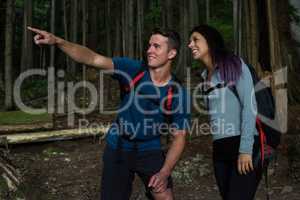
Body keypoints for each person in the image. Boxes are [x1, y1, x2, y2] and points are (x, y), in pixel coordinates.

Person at [28, 26, 190, 200]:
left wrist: (164, 172)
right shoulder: (132, 70)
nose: (149, 50)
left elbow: (179, 137)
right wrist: (58, 41)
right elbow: (92, 58)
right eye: (149, 45)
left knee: (165, 197)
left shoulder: (178, 93)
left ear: (171, 54)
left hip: (150, 149)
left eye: (156, 46)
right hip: (118, 147)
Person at [188, 24, 262, 200]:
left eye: (195, 39)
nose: (190, 44)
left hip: (243, 145)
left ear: (210, 41)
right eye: (190, 41)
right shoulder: (205, 75)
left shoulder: (234, 64)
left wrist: (245, 149)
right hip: (220, 150)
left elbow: (249, 107)